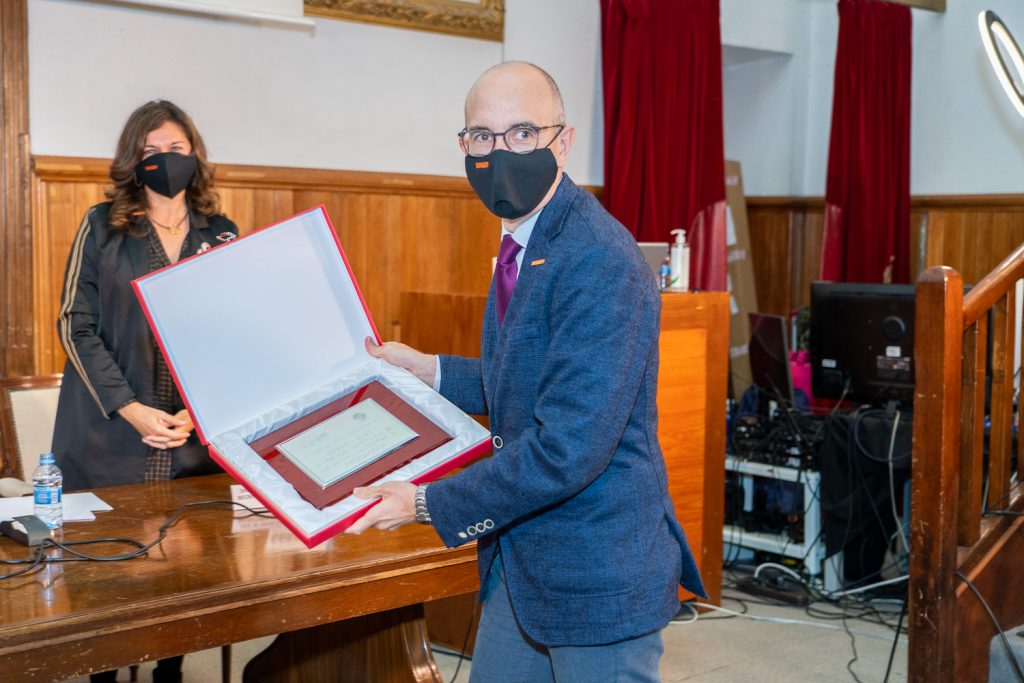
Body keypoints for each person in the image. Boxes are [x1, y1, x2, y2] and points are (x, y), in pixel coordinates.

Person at [346, 62, 705, 682]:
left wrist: (426, 501)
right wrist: (430, 371)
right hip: (521, 559)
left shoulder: (597, 258)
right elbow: (529, 378)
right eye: (481, 136)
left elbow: (568, 447)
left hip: (593, 568)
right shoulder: (527, 237)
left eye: (521, 133)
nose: (499, 153)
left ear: (562, 143)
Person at [51, 100, 238, 683]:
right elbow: (74, 324)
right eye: (150, 150)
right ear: (133, 159)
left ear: (194, 153)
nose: (164, 159)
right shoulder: (102, 225)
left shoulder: (221, 233)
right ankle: (104, 672)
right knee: (107, 584)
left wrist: (196, 411)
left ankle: (170, 670)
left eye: (175, 148)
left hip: (191, 439)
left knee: (186, 579)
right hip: (109, 434)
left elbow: (233, 332)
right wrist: (131, 408)